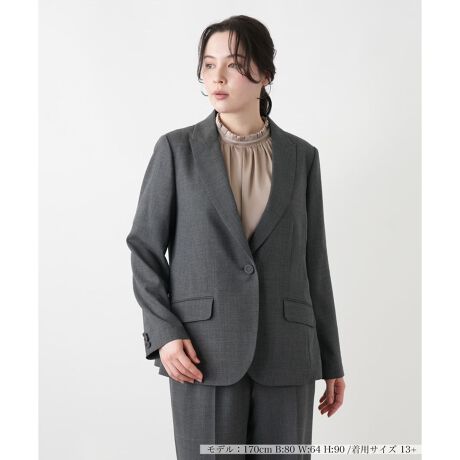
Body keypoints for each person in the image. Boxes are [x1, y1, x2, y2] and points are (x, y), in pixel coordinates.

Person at [126, 14, 346, 460]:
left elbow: (314, 262)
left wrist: (331, 359)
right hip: (201, 353)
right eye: (209, 65)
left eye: (234, 63)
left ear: (264, 73)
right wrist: (164, 334)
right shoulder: (176, 151)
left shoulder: (302, 158)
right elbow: (144, 249)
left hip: (288, 354)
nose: (218, 77)